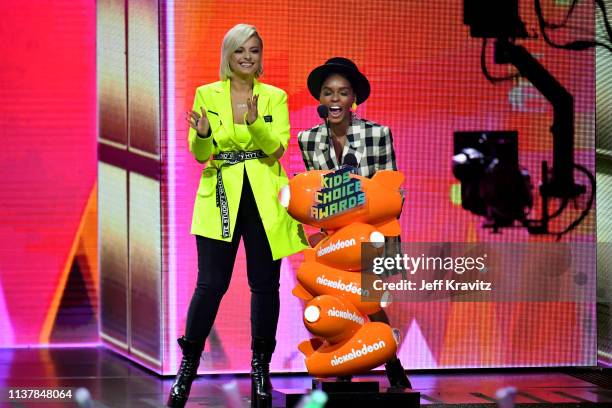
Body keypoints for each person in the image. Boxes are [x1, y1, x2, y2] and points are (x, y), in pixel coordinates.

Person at [167, 24, 307, 408]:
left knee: (265, 286)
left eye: (255, 51)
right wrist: (203, 133)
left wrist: (253, 122)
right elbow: (199, 153)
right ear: (228, 55)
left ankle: (261, 369)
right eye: (240, 51)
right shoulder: (207, 94)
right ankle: (187, 368)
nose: (248, 57)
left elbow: (276, 150)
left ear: (261, 56)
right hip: (220, 198)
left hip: (264, 199)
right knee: (210, 285)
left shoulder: (274, 97)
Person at [297, 57, 412, 389]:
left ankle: (392, 364)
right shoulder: (308, 140)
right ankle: (342, 370)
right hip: (332, 241)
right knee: (335, 307)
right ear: (320, 99)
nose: (335, 99)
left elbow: (392, 191)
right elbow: (313, 195)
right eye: (328, 92)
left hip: (370, 234)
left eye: (343, 92)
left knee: (369, 304)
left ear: (353, 99)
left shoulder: (378, 134)